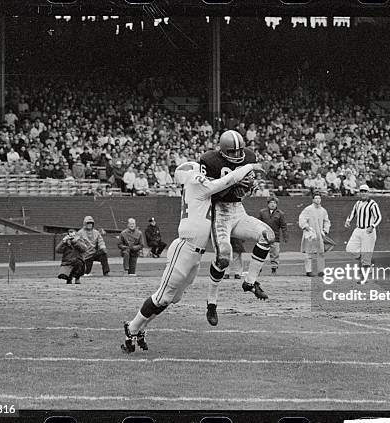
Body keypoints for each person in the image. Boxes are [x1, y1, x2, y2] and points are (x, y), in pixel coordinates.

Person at [122, 161, 261, 353]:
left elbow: (226, 191)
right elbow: (225, 181)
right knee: (162, 296)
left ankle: (140, 328)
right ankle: (131, 328)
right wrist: (248, 167)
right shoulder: (196, 183)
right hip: (185, 248)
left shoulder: (197, 188)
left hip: (196, 253)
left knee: (171, 298)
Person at [200, 130, 275, 301]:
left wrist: (249, 187)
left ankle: (250, 282)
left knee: (267, 236)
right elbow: (211, 193)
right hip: (219, 212)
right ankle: (211, 300)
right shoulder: (209, 160)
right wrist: (234, 183)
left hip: (238, 210)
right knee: (224, 258)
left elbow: (245, 191)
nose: (237, 154)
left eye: (239, 150)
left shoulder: (248, 157)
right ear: (223, 151)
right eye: (232, 151)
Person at [344, 185, 382, 268]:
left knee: (366, 255)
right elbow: (353, 213)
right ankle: (367, 261)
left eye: (365, 191)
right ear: (359, 193)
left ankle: (365, 275)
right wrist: (348, 220)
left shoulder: (373, 204)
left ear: (368, 193)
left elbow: (378, 217)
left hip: (368, 231)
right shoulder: (358, 203)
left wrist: (372, 226)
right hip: (358, 229)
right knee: (350, 249)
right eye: (362, 191)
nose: (363, 193)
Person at [298, 193, 331, 277]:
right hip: (310, 234)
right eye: (316, 198)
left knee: (321, 252)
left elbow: (327, 221)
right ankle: (308, 271)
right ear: (313, 200)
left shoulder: (323, 210)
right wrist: (306, 227)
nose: (317, 200)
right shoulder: (308, 209)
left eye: (319, 198)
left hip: (319, 234)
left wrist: (325, 230)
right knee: (309, 252)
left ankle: (321, 271)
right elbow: (302, 219)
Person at [257, 196, 288, 275]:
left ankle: (274, 269)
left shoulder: (280, 214)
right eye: (271, 202)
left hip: (275, 237)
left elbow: (283, 226)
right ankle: (258, 269)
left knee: (275, 254)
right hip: (263, 237)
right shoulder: (262, 212)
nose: (273, 204)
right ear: (268, 204)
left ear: (277, 204)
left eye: (274, 203)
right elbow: (258, 224)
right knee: (261, 253)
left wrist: (285, 236)